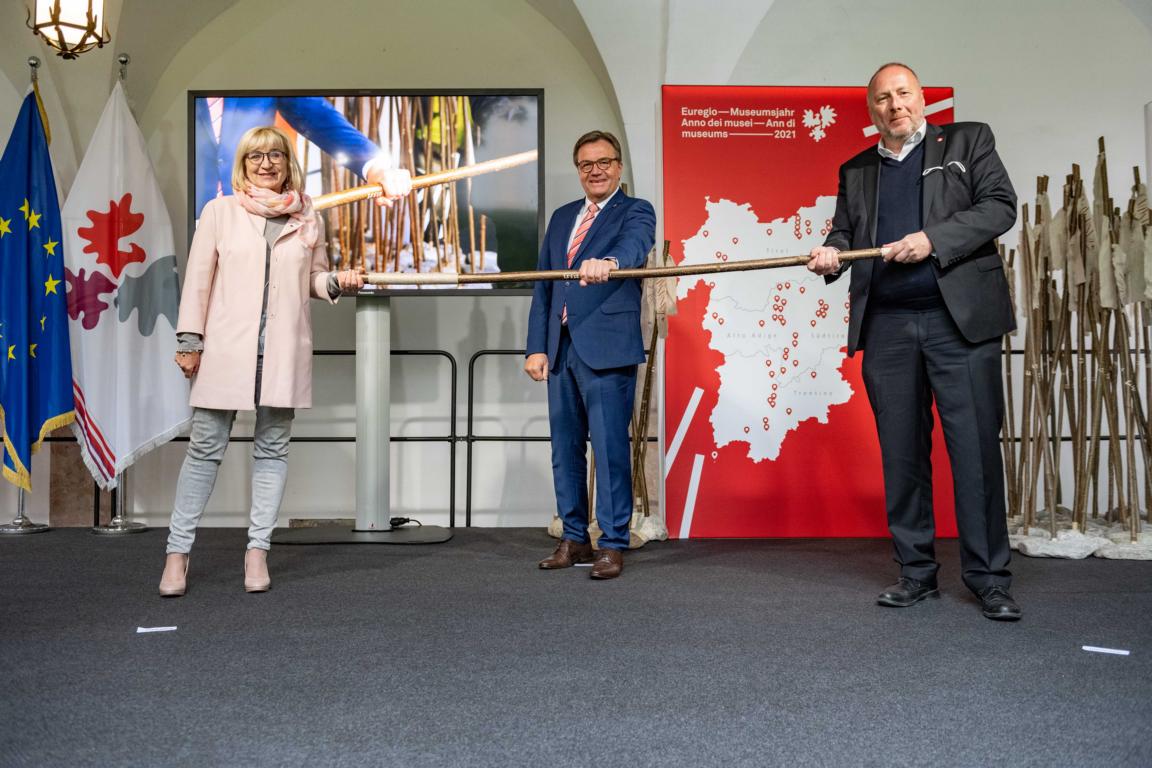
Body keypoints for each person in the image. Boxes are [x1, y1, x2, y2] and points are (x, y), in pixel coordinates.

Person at [807, 63, 1021, 621]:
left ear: (922, 99)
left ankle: (989, 578)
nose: (894, 105)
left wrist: (933, 240)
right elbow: (845, 233)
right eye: (883, 98)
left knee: (974, 453)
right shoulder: (855, 169)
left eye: (903, 94)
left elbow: (1000, 207)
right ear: (871, 109)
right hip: (888, 330)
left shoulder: (969, 140)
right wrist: (829, 253)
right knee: (902, 455)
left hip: (961, 326)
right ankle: (917, 573)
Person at [158, 126, 411, 597]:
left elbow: (312, 280)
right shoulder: (220, 211)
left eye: (276, 154)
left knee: (272, 451)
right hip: (226, 351)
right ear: (244, 164)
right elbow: (197, 281)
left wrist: (337, 281)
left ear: (287, 163)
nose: (267, 162)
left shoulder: (306, 214)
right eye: (257, 156)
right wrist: (189, 340)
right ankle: (177, 553)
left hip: (282, 351)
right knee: (204, 452)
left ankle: (257, 551)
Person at [524, 130, 655, 579]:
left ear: (619, 167)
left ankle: (613, 543)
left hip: (607, 348)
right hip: (560, 350)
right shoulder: (562, 217)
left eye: (603, 162)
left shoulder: (636, 211)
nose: (595, 171)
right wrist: (536, 347)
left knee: (610, 448)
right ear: (578, 170)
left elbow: (635, 247)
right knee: (564, 450)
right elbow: (543, 285)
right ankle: (575, 538)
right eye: (586, 165)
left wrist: (612, 263)